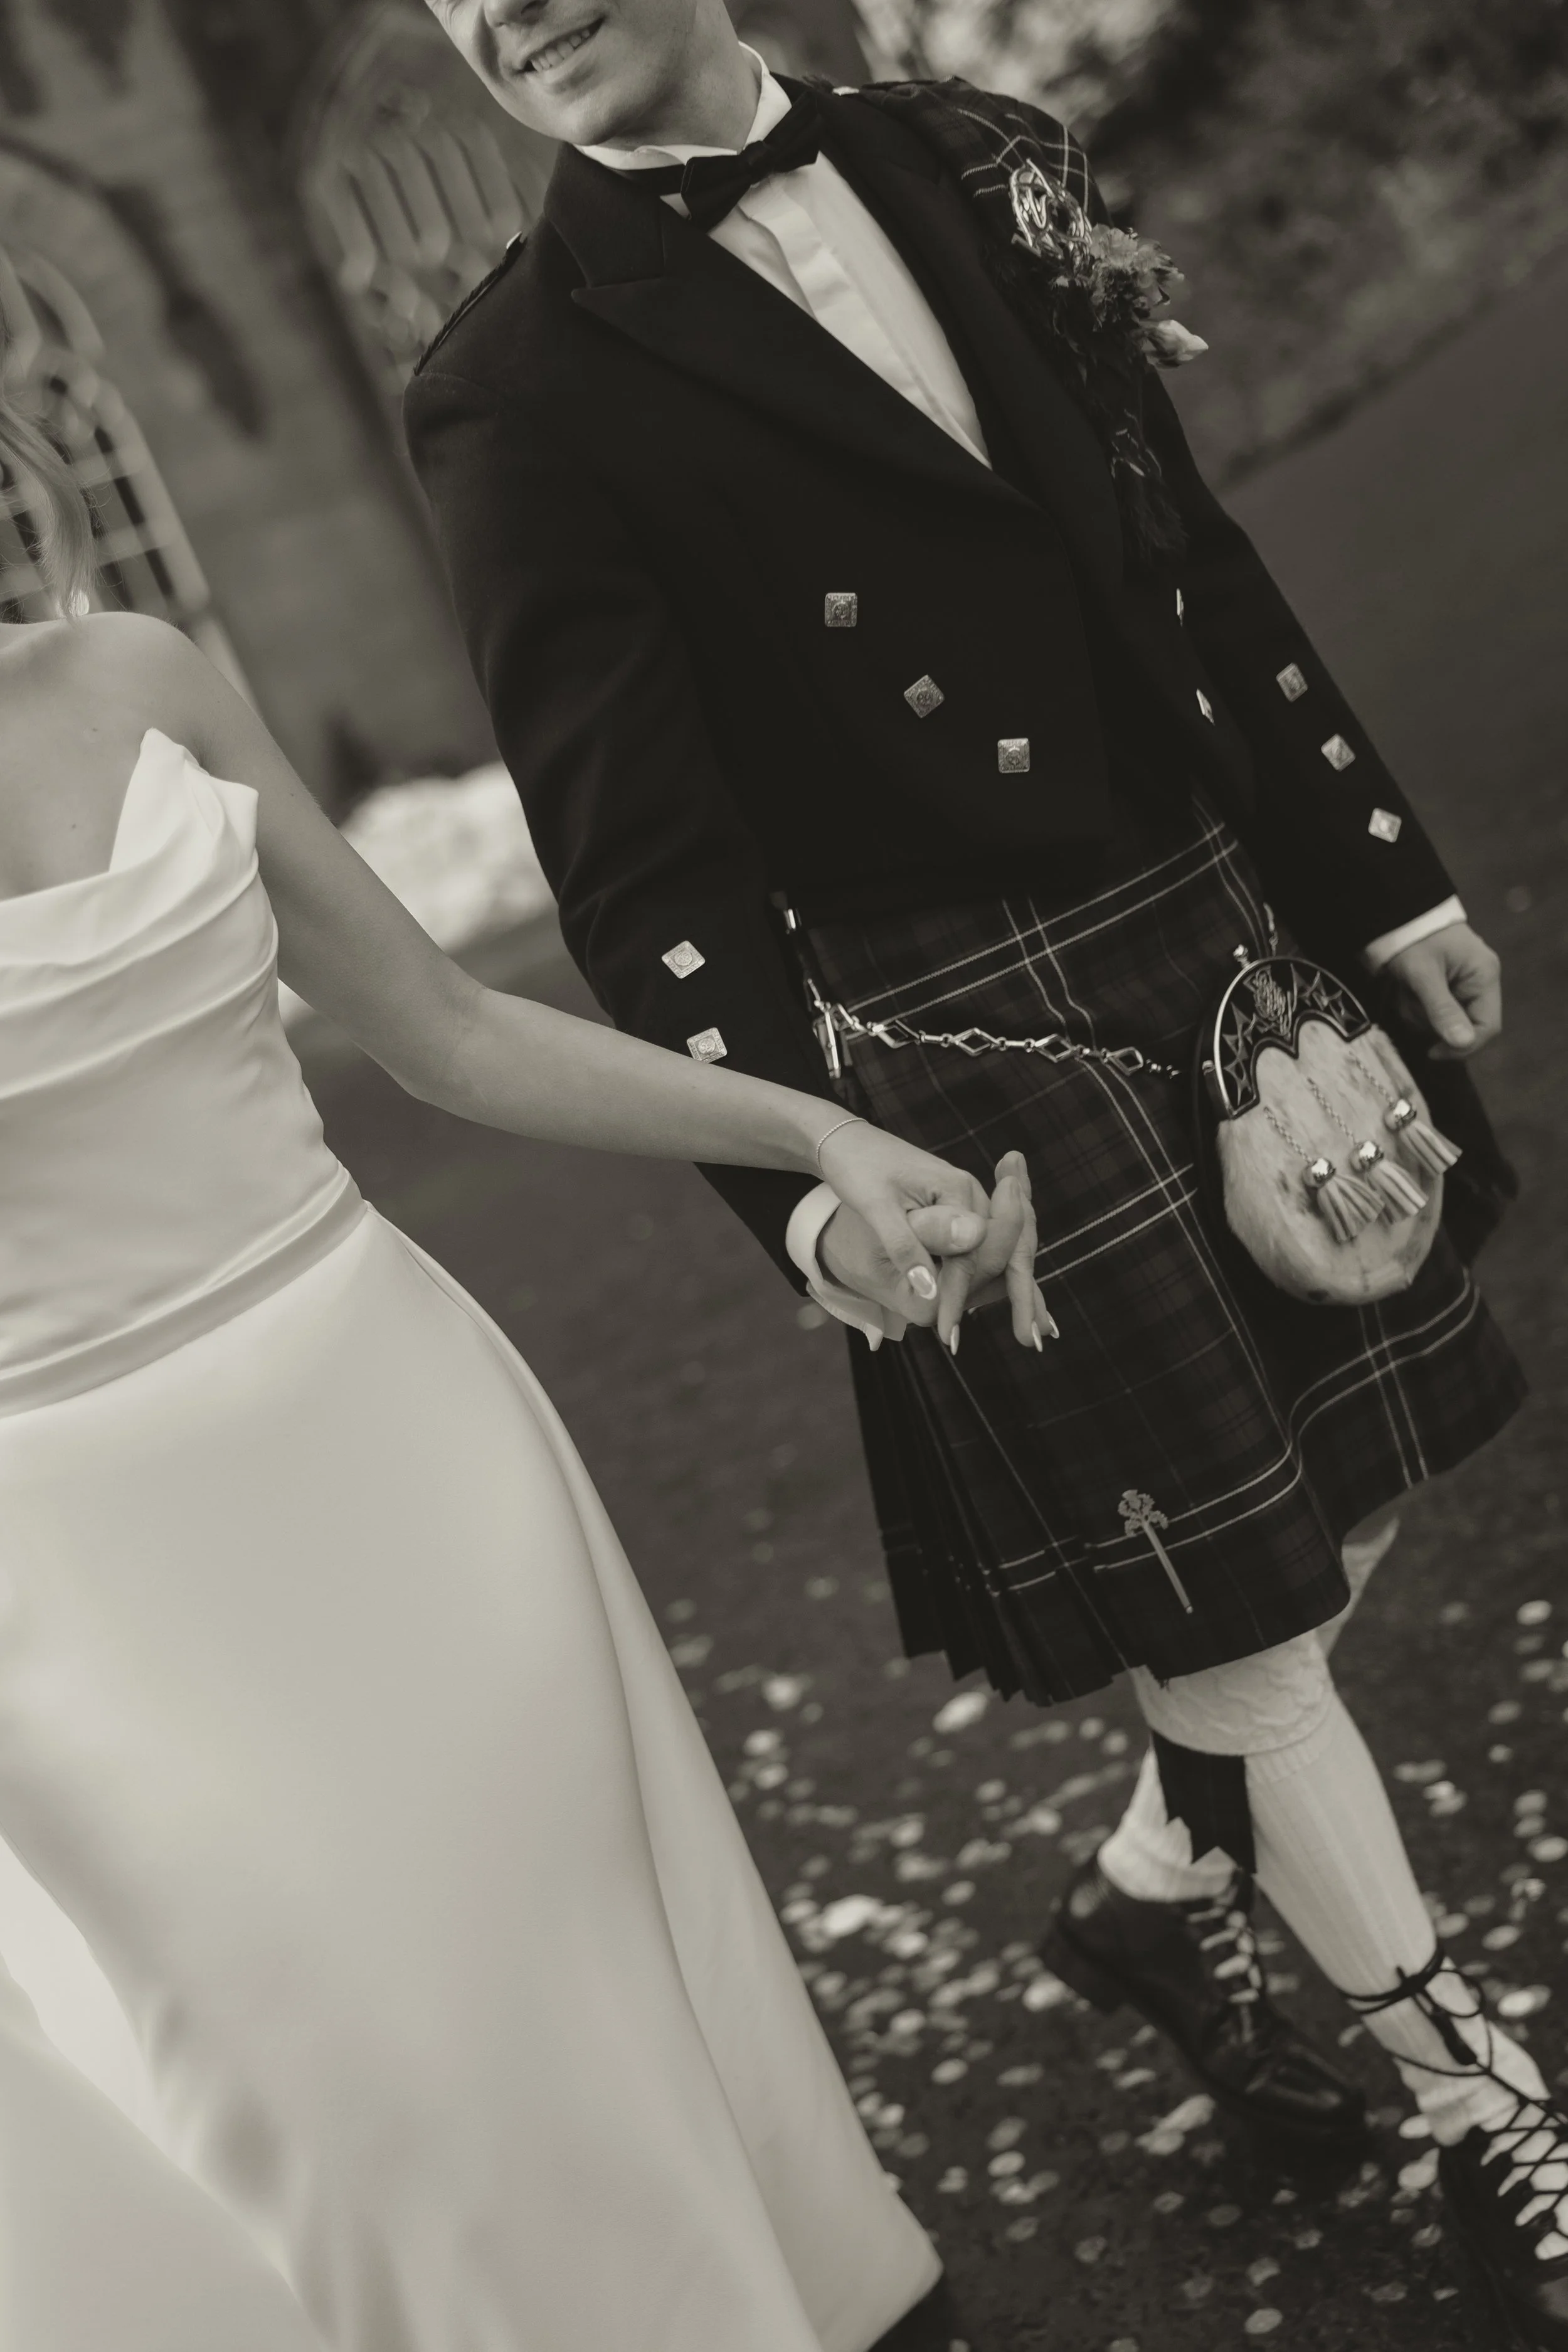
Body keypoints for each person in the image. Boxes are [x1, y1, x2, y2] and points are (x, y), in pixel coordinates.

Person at [406, 5, 1568, 2341]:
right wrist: (806, 1183)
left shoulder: (967, 152)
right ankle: (1481, 2109)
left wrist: (1382, 875)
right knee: (1234, 1608)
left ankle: (1154, 1889)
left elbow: (1178, 541)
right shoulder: (516, 377)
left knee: (1336, 1486)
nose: (503, 10)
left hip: (1203, 910)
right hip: (962, 1031)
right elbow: (637, 863)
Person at [0, 387, 1047, 2350]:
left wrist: (808, 1132)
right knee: (324, 2064)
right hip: (65, 1568)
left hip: (387, 1425)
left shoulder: (136, 671)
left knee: (548, 1971)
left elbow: (447, 1025)